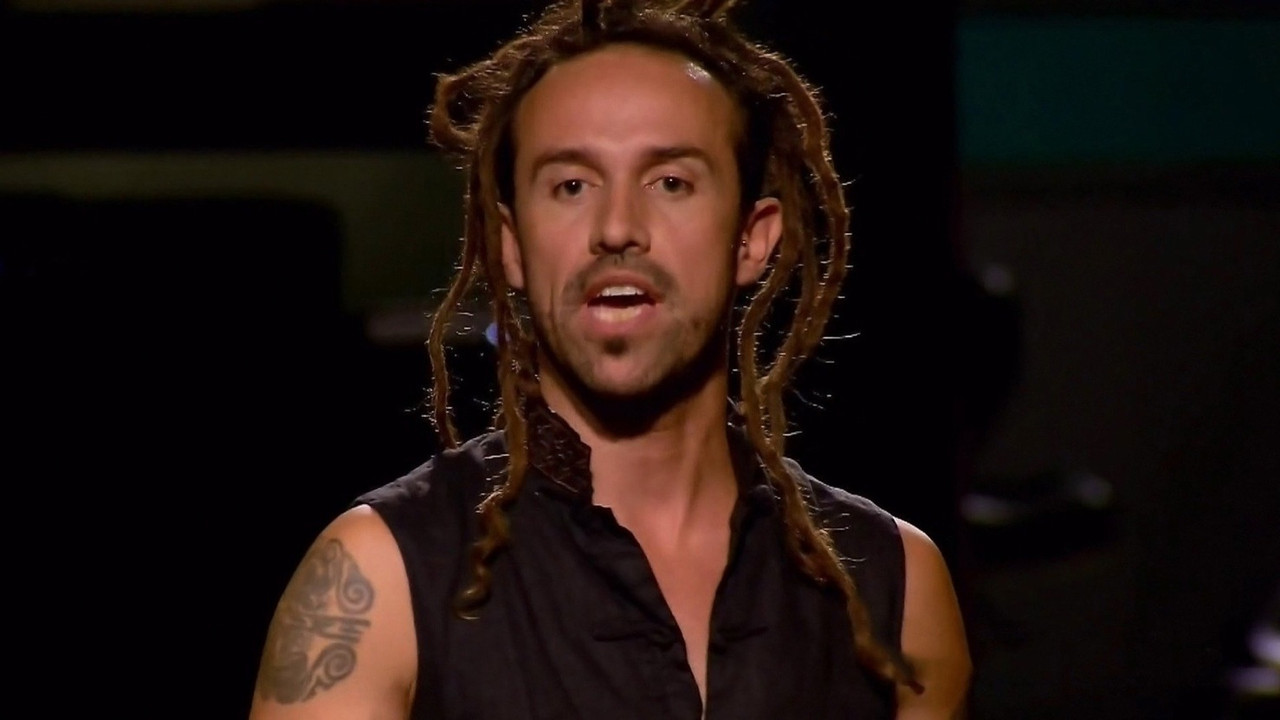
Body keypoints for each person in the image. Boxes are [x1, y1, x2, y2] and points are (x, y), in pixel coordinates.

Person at [247, 1, 971, 718]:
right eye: (571, 186)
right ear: (510, 244)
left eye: (671, 183)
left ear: (752, 239)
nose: (618, 228)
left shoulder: (895, 587)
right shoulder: (378, 582)